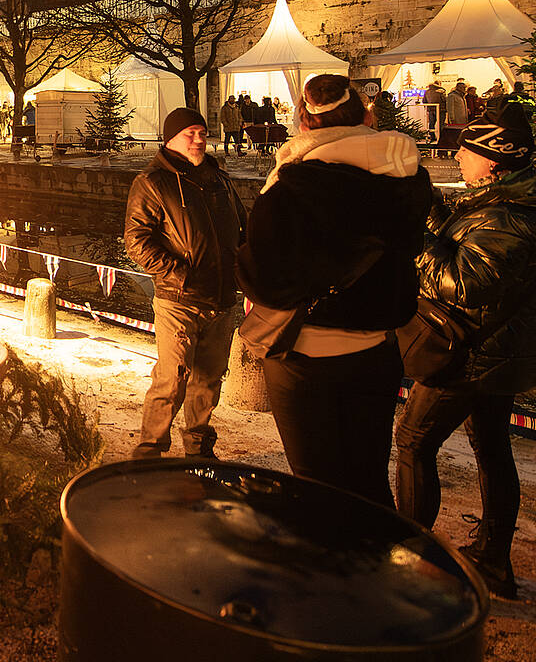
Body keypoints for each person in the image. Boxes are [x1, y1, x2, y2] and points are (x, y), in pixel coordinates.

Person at [396, 104, 536, 599]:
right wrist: (428, 202)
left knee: (414, 439)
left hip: (473, 354)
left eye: (468, 149)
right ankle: (493, 558)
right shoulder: (503, 200)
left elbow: (462, 281)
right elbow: (467, 238)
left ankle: (407, 554)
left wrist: (412, 237)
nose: (458, 155)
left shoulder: (513, 217)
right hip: (498, 350)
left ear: (494, 159)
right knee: (492, 448)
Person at [237, 74, 434, 507]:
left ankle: (333, 569)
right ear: (365, 115)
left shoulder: (292, 186)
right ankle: (377, 563)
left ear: (305, 123)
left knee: (317, 486)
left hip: (307, 354)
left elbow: (267, 280)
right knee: (368, 482)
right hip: (377, 350)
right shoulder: (408, 178)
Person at [123, 107, 247, 459]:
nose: (198, 139)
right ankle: (150, 448)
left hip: (222, 298)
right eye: (189, 133)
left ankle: (198, 445)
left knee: (209, 378)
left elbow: (243, 228)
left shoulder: (219, 180)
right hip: (179, 299)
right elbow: (136, 240)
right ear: (170, 138)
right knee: (172, 377)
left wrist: (246, 269)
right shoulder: (152, 182)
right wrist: (180, 273)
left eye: (202, 133)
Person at [443, 80, 470, 150]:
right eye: (463, 88)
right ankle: (453, 151)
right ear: (458, 88)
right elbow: (450, 108)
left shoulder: (462, 96)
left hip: (463, 121)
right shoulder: (452, 96)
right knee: (454, 136)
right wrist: (452, 119)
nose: (465, 89)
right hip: (456, 121)